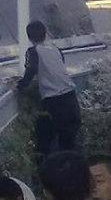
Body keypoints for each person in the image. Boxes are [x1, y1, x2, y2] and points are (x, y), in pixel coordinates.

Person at [16, 20, 81, 158]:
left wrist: (20, 85)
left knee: (52, 142)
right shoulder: (56, 50)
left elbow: (31, 70)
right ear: (45, 34)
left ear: (29, 37)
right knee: (70, 141)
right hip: (71, 96)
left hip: (54, 100)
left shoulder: (33, 52)